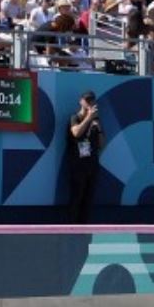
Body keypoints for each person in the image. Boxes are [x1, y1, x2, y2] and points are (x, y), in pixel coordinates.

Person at [64, 91, 104, 224]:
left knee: (88, 202)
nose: (89, 103)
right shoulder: (75, 117)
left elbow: (101, 144)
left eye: (91, 100)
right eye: (87, 100)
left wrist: (98, 128)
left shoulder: (96, 121)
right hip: (78, 166)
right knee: (76, 199)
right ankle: (71, 230)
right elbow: (76, 132)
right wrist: (88, 118)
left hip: (91, 166)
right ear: (81, 101)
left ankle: (84, 231)